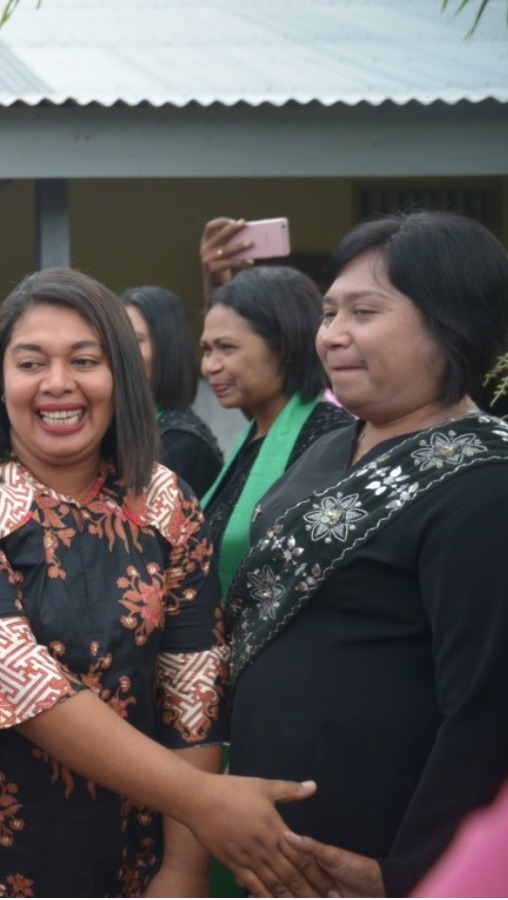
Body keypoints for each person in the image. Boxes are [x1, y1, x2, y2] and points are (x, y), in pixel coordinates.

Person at [0, 268, 328, 898]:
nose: (58, 383)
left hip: (134, 843)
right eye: (31, 362)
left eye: (86, 360)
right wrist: (205, 800)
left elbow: (193, 688)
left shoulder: (167, 501)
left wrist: (183, 867)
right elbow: (15, 678)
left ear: (120, 375)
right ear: (0, 380)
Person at [224, 211, 508, 897]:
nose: (333, 335)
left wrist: (409, 873)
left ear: (451, 322)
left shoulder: (485, 485)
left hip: (375, 857)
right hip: (272, 846)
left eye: (364, 311)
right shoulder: (333, 444)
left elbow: (487, 708)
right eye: (328, 312)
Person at [198, 267, 353, 596]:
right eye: (207, 349)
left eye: (227, 348)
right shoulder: (253, 433)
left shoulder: (331, 437)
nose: (209, 366)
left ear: (284, 348)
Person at [122, 285, 224, 495]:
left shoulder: (179, 443)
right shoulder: (132, 426)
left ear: (167, 349)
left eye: (136, 341)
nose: (122, 352)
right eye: (118, 340)